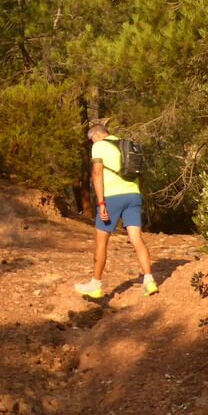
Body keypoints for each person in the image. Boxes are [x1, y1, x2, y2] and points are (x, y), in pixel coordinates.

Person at [73, 123, 157, 298]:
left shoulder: (99, 146)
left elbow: (97, 174)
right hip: (133, 195)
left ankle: (95, 284)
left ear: (96, 135)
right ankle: (149, 281)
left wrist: (101, 203)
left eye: (91, 140)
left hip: (112, 197)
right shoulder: (126, 144)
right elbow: (139, 175)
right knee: (136, 238)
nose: (91, 143)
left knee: (101, 242)